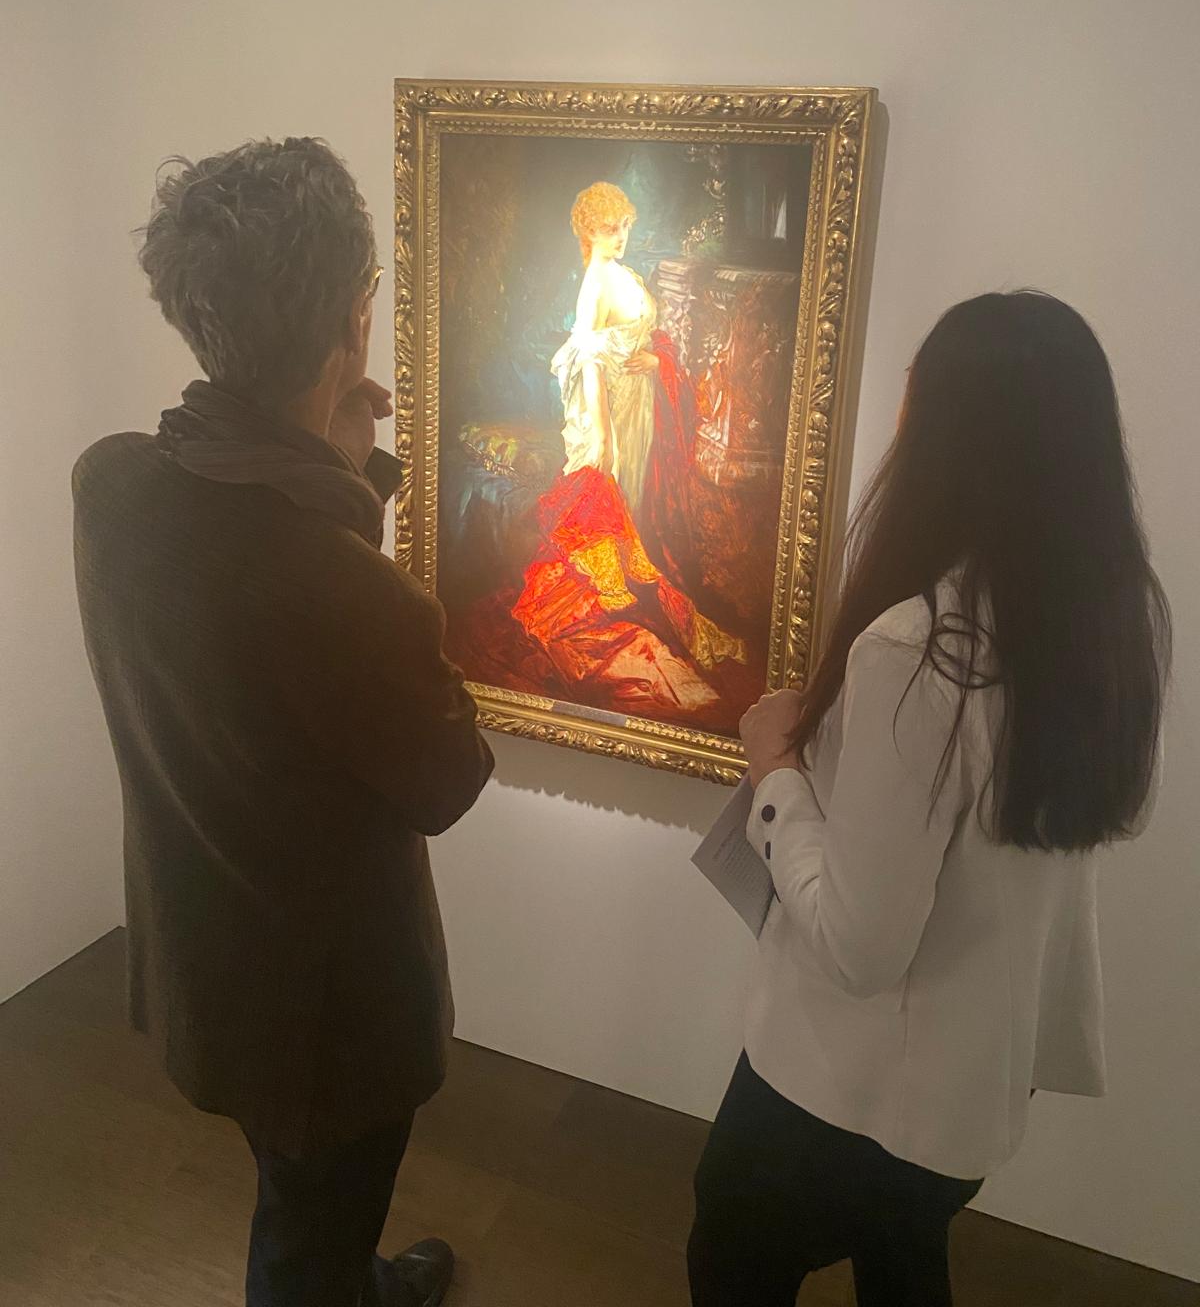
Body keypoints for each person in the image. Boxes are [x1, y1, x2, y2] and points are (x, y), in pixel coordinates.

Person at [72, 137, 494, 1307]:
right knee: (307, 1236)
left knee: (301, 1199)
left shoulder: (106, 486)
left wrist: (334, 475)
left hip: (207, 961)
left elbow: (255, 589)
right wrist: (346, 496)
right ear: (356, 320)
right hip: (333, 1025)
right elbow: (450, 775)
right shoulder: (343, 584)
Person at [688, 291, 1170, 1307]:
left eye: (915, 397)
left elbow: (859, 946)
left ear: (950, 440)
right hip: (971, 1092)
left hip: (845, 1090)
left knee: (731, 1261)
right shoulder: (1102, 625)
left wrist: (775, 772)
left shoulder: (919, 648)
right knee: (904, 1258)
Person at [512, 181, 750, 728]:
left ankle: (643, 587)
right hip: (614, 412)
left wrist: (656, 363)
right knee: (615, 502)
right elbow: (589, 364)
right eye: (609, 228)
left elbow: (645, 342)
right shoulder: (595, 284)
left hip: (641, 405)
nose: (620, 236)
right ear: (587, 231)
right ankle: (624, 601)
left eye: (624, 226)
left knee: (640, 505)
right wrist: (602, 435)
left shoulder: (622, 274)